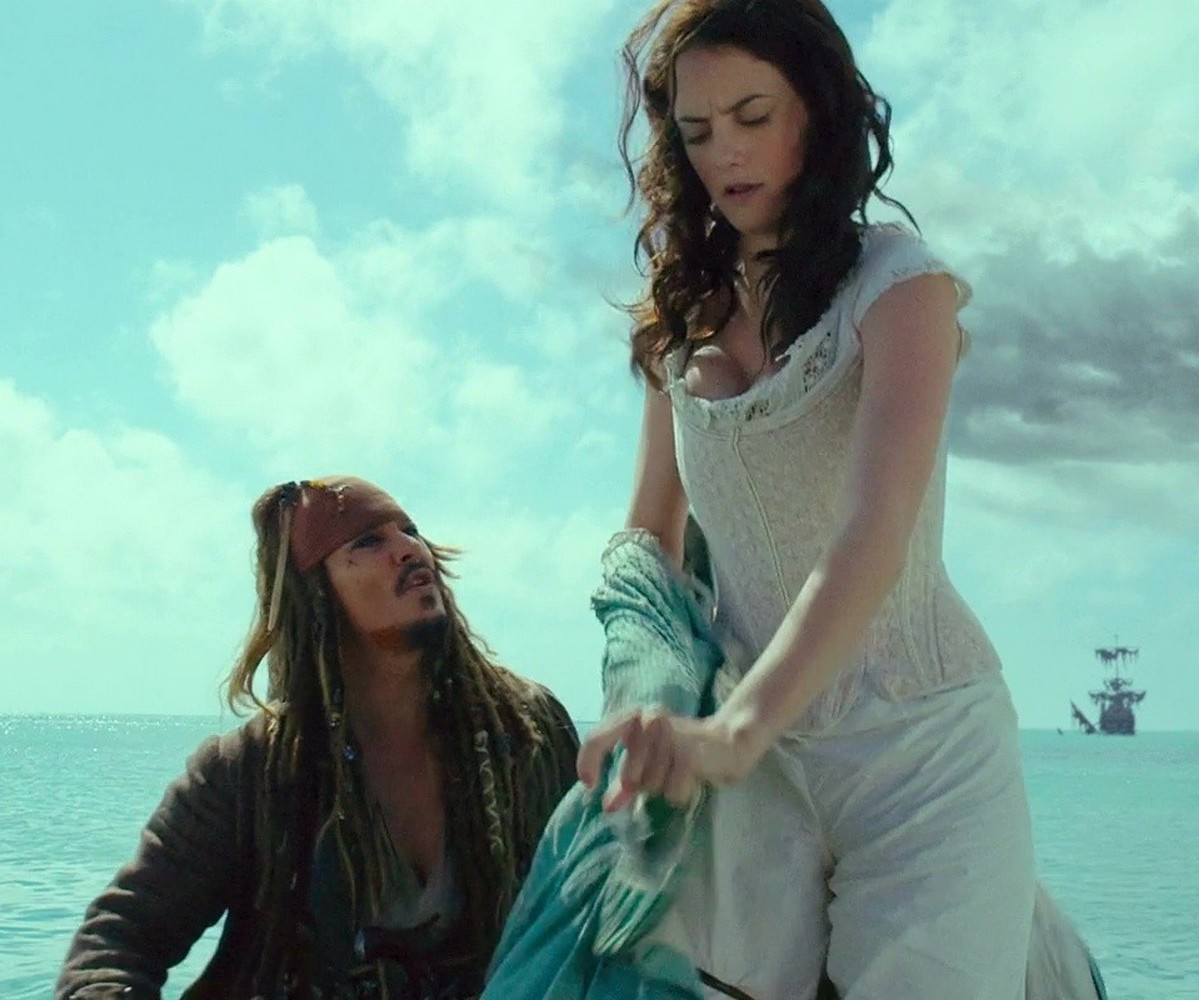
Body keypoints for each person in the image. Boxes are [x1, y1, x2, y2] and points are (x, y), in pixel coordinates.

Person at [577, 1, 1044, 997]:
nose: (725, 154)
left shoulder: (901, 289)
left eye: (751, 115)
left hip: (922, 752)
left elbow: (871, 533)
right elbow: (649, 535)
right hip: (747, 770)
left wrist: (735, 732)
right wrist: (650, 695)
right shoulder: (678, 316)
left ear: (817, 111)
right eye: (696, 132)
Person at [58, 476, 579, 1000]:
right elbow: (114, 945)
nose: (409, 549)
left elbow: (594, 910)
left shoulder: (527, 735)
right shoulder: (251, 775)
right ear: (317, 596)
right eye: (368, 541)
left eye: (411, 531)